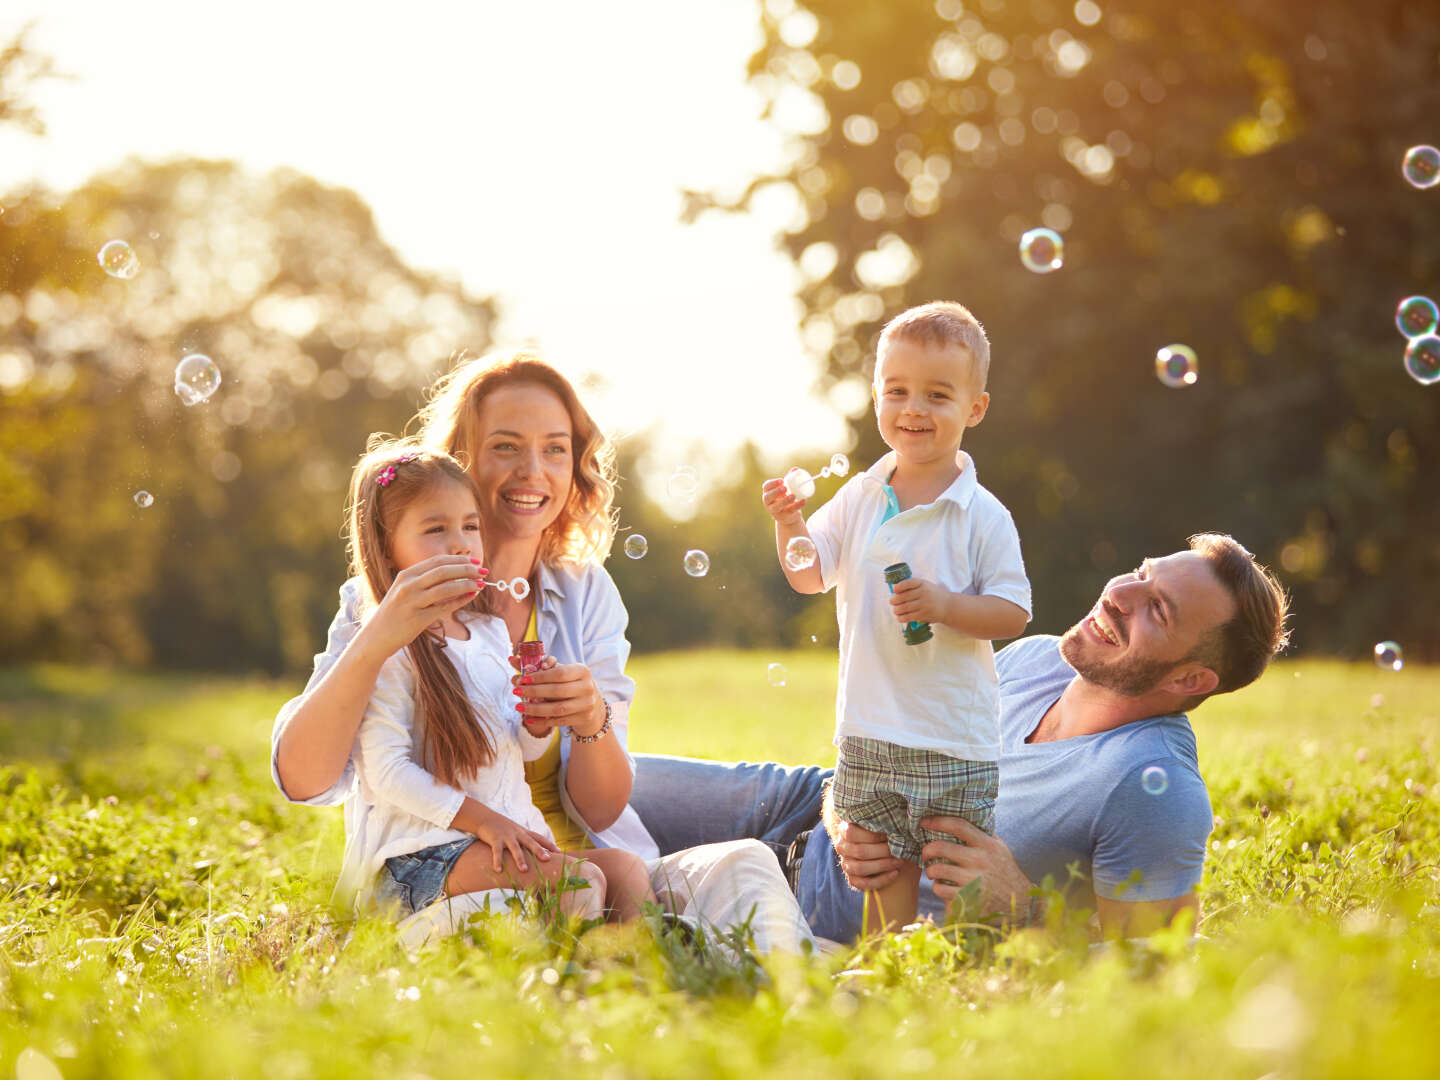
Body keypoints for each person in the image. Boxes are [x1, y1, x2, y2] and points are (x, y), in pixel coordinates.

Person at [272, 350, 812, 951]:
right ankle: (655, 967)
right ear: (458, 463)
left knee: (748, 863)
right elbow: (303, 779)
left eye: (556, 449)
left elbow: (603, 810)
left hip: (580, 862)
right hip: (455, 874)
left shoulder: (585, 593)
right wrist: (376, 638)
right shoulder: (383, 600)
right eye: (505, 446)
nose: (534, 471)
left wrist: (589, 722)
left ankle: (800, 994)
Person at [629, 532, 1290, 942]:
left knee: (601, 885)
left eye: (1158, 609)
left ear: (1191, 678)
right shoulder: (1036, 659)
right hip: (803, 801)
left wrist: (1026, 909)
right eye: (1142, 574)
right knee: (583, 779)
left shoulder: (1155, 789)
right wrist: (844, 805)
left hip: (824, 905)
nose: (1120, 593)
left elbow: (1155, 972)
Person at [761, 301, 1031, 933]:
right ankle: (889, 970)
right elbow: (807, 572)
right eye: (898, 391)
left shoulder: (982, 515)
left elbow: (1013, 611)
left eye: (938, 395)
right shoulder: (860, 495)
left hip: (951, 735)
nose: (914, 409)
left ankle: (974, 964)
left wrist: (945, 606)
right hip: (870, 726)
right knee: (881, 867)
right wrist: (789, 523)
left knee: (956, 866)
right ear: (877, 396)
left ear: (975, 409)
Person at [334, 441, 653, 922]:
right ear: (387, 546)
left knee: (625, 871)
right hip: (418, 857)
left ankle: (635, 974)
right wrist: (485, 822)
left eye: (470, 526)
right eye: (436, 529)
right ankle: (577, 983)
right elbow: (386, 771)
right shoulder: (387, 644)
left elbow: (518, 751)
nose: (461, 543)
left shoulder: (488, 633)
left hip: (491, 839)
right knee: (579, 880)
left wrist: (537, 720)